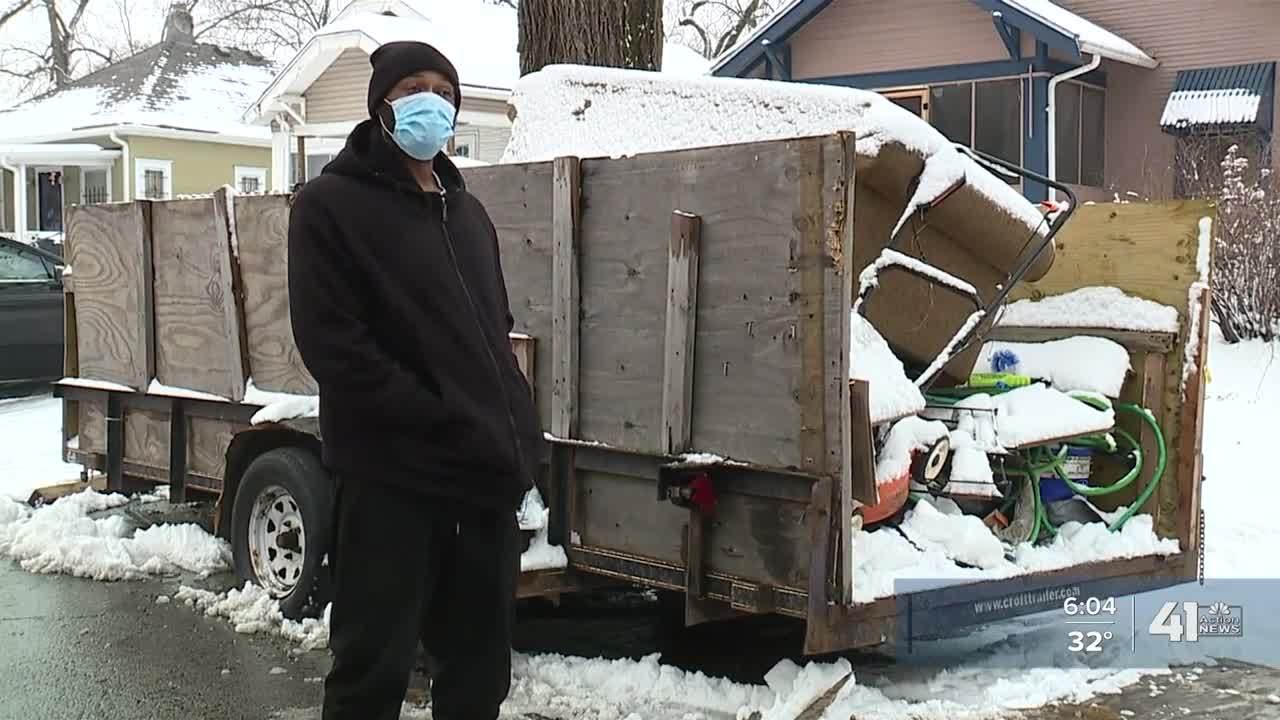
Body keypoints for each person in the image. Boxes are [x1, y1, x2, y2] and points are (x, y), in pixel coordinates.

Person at [286, 40, 544, 720]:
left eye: (445, 90)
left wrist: (517, 427)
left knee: (479, 676)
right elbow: (334, 348)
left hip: (482, 486)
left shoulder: (468, 214)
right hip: (392, 484)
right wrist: (442, 416)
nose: (433, 100)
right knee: (373, 673)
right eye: (415, 88)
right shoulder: (328, 206)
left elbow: (495, 337)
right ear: (382, 106)